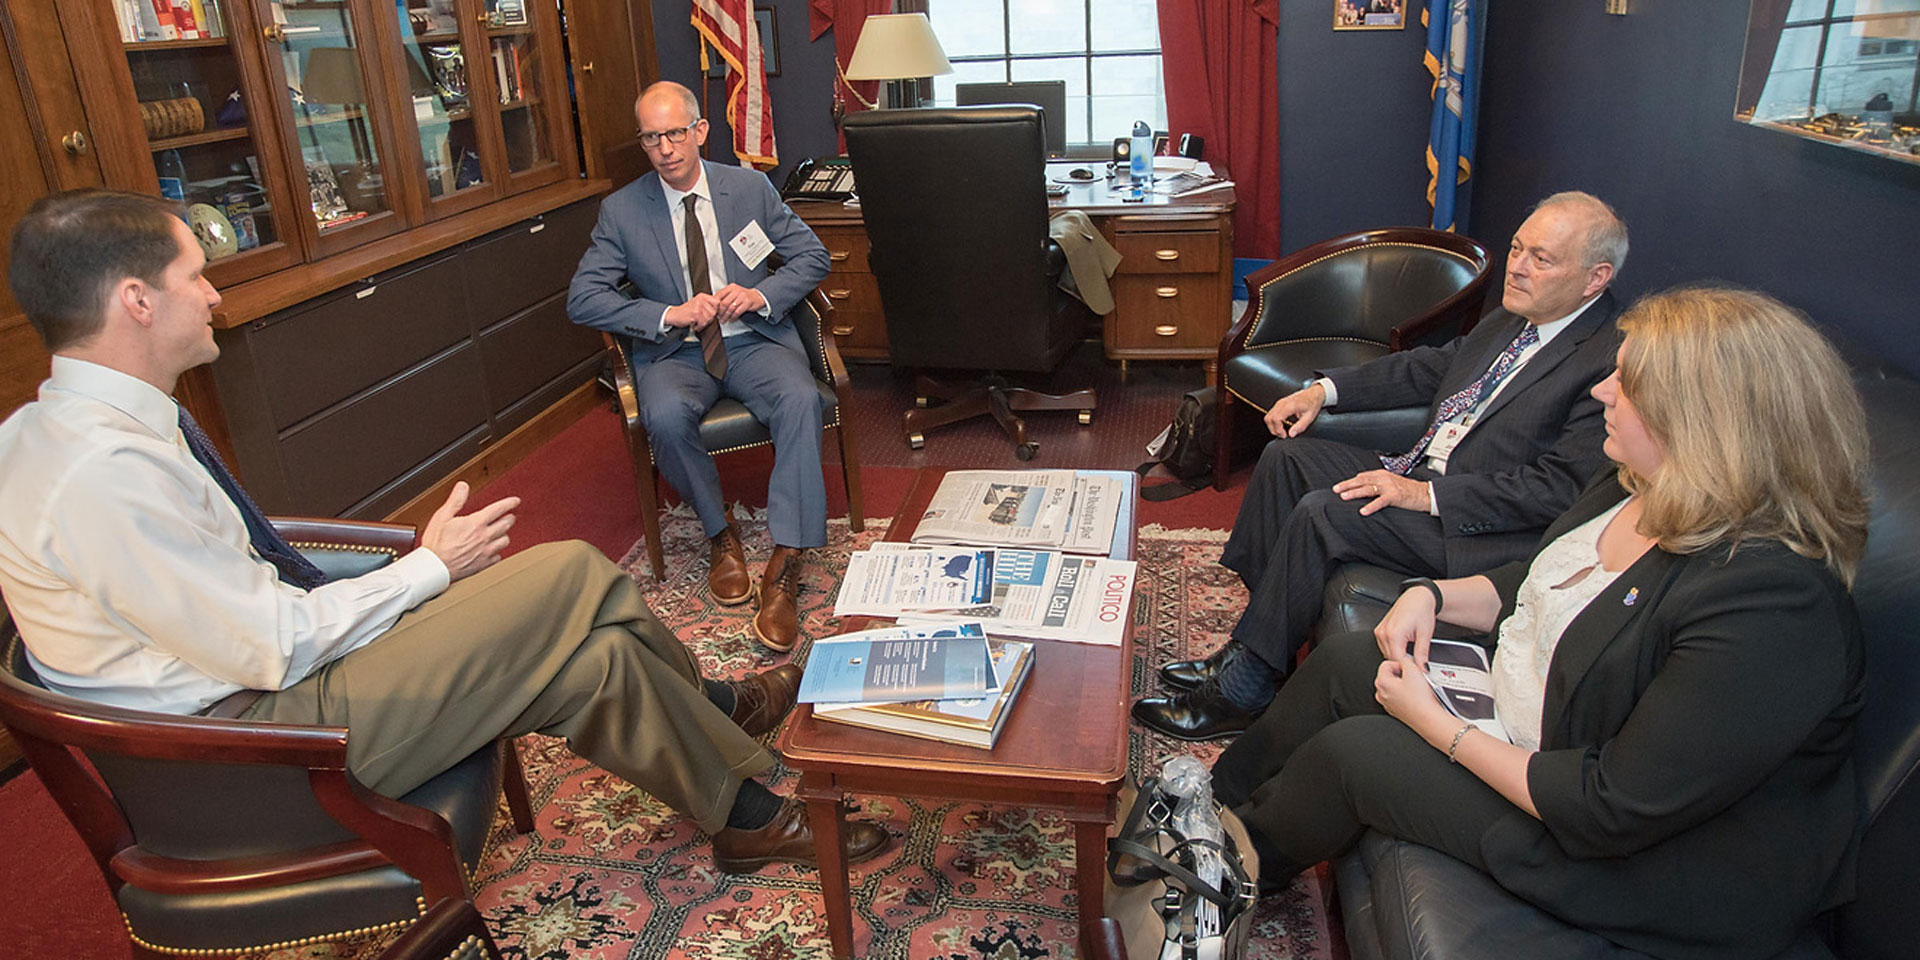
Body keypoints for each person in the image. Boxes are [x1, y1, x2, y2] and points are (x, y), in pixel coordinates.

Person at [0, 189, 887, 874]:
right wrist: (425, 570)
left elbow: (238, 609)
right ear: (135, 302)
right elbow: (267, 647)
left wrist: (396, 584)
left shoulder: (63, 430)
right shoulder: (102, 474)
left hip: (265, 689)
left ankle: (741, 816)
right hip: (252, 753)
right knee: (570, 573)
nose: (214, 294)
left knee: (593, 662)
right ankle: (721, 709)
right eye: (193, 276)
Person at [1213, 287, 1868, 960]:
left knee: (1354, 756)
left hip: (1635, 858)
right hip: (1552, 734)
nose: (1605, 391)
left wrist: (1440, 726)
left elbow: (1612, 805)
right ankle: (1215, 807)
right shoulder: (1634, 484)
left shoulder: (1774, 603)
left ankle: (1220, 876)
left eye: (1628, 381)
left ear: (1704, 421)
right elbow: (1537, 582)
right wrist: (1431, 596)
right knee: (1350, 663)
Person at [1135, 191, 1629, 741]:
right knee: (1286, 459)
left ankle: (1243, 690)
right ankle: (1254, 646)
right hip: (1421, 472)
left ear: (1595, 278)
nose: (1516, 266)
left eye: (1542, 258)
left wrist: (1424, 497)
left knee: (1327, 513)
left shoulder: (1607, 359)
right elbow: (1434, 365)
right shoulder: (1519, 317)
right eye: (1517, 248)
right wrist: (1323, 390)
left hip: (1480, 525)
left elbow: (1560, 489)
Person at [567, 81, 832, 654]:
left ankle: (786, 559)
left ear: (700, 131)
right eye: (651, 137)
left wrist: (760, 296)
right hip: (678, 352)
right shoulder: (623, 210)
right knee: (660, 417)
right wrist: (667, 312)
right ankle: (720, 533)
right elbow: (583, 299)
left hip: (753, 341)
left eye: (675, 133)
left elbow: (813, 256)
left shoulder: (749, 188)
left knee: (801, 398)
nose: (665, 149)